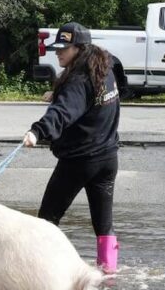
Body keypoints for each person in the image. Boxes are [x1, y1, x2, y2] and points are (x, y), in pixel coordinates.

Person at [22, 22, 121, 274]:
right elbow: (87, 99)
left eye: (64, 48)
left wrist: (37, 131)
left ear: (80, 48)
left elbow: (64, 112)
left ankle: (42, 272)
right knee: (103, 225)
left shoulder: (77, 80)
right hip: (108, 158)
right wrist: (56, 94)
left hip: (79, 161)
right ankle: (109, 273)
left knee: (47, 220)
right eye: (58, 47)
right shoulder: (106, 65)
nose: (58, 52)